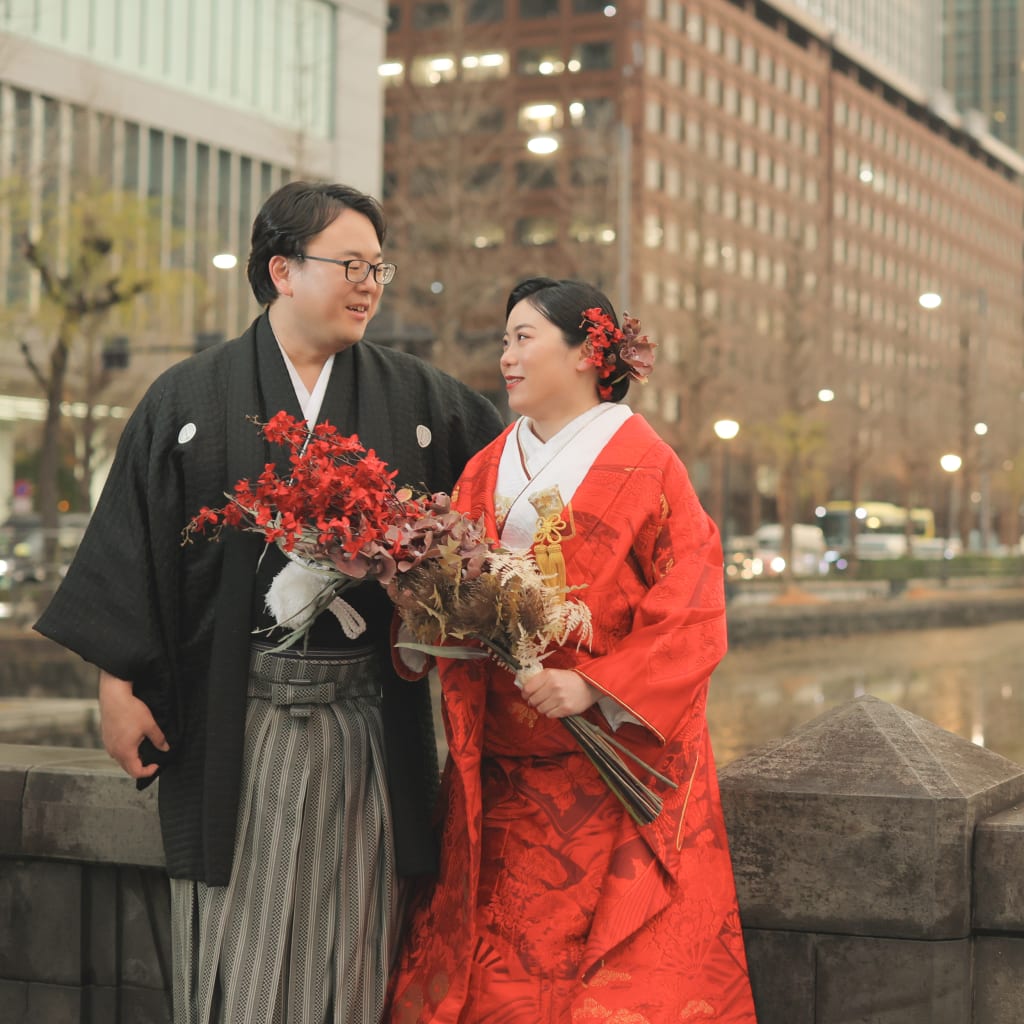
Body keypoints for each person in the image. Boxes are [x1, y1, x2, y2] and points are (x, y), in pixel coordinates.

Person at [35, 180, 505, 1024]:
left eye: (378, 267)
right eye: (349, 264)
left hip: (366, 715)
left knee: (357, 944)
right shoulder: (189, 398)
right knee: (236, 952)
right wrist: (116, 687)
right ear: (282, 270)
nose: (368, 282)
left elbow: (508, 489)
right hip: (236, 718)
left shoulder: (422, 401)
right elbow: (132, 542)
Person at [387, 278, 757, 1023]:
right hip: (499, 774)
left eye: (524, 338)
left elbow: (693, 605)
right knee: (494, 974)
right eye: (504, 341)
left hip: (602, 765)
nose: (506, 357)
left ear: (589, 353)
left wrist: (596, 688)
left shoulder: (650, 466)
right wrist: (426, 626)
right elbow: (448, 589)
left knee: (606, 976)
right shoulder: (485, 467)